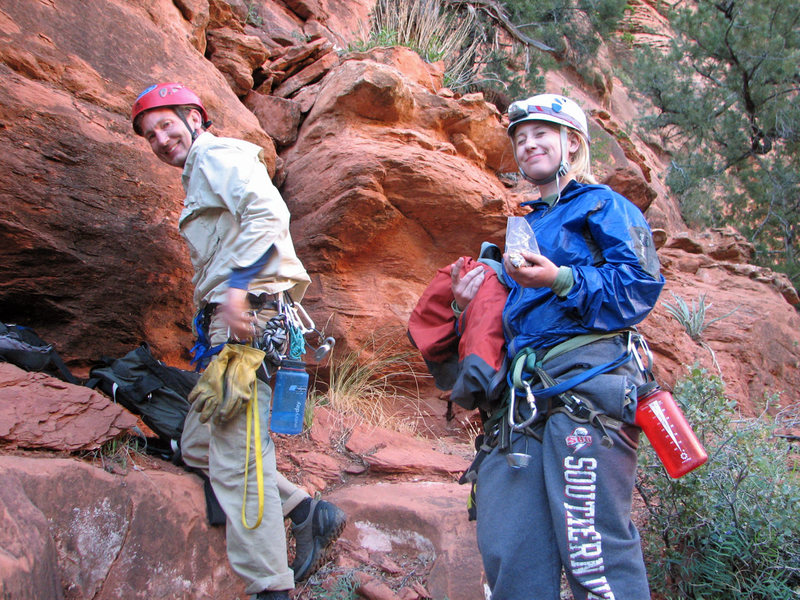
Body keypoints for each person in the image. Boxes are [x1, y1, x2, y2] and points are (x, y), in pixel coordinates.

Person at [131, 82, 346, 600]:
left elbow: (269, 216)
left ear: (194, 117)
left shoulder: (216, 155)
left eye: (165, 124)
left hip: (249, 314)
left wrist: (237, 287)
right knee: (201, 444)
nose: (160, 139)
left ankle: (269, 588)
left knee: (237, 458)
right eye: (149, 134)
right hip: (233, 320)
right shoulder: (200, 172)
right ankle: (304, 510)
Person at [451, 94, 665, 599]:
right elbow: (512, 320)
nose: (528, 146)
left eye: (541, 135)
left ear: (573, 142)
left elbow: (639, 285)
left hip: (585, 385)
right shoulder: (526, 226)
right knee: (509, 548)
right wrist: (467, 308)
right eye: (520, 140)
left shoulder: (604, 205)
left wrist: (563, 278)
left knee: (594, 550)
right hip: (519, 403)